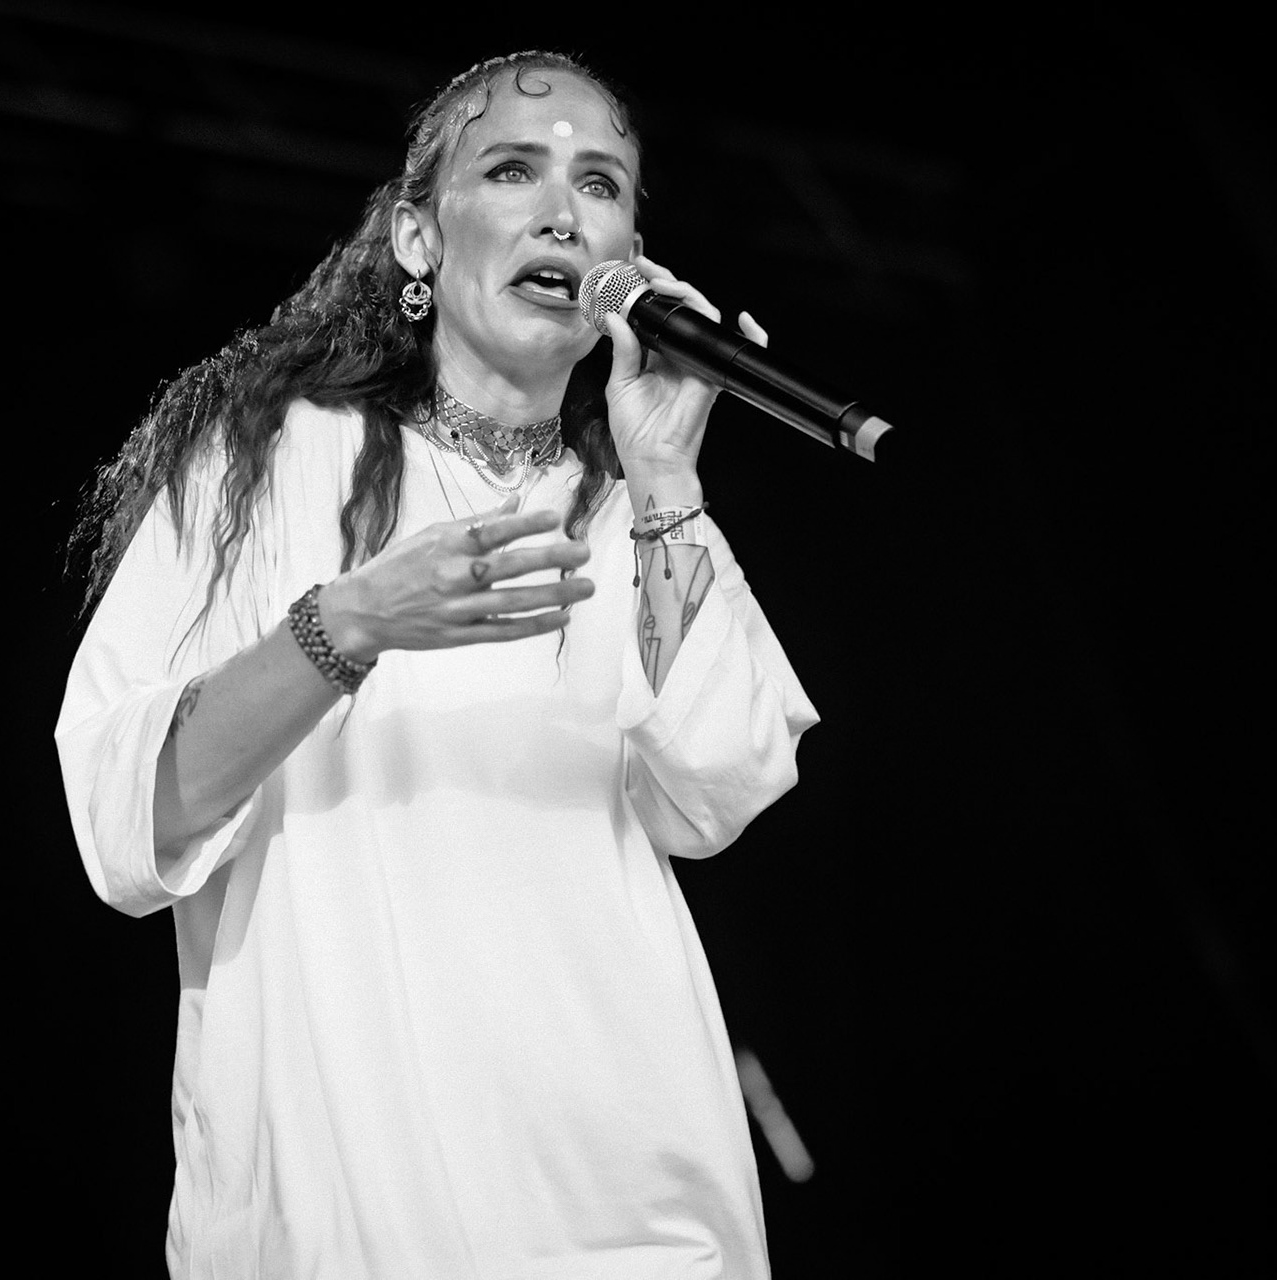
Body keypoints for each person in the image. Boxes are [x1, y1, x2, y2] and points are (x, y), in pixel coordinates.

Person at [55, 49, 818, 1279]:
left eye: (603, 183)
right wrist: (343, 628)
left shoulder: (631, 507)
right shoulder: (264, 463)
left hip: (635, 1208)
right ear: (416, 237)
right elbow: (126, 818)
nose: (565, 211)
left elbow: (719, 789)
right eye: (513, 169)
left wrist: (667, 472)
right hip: (355, 1208)